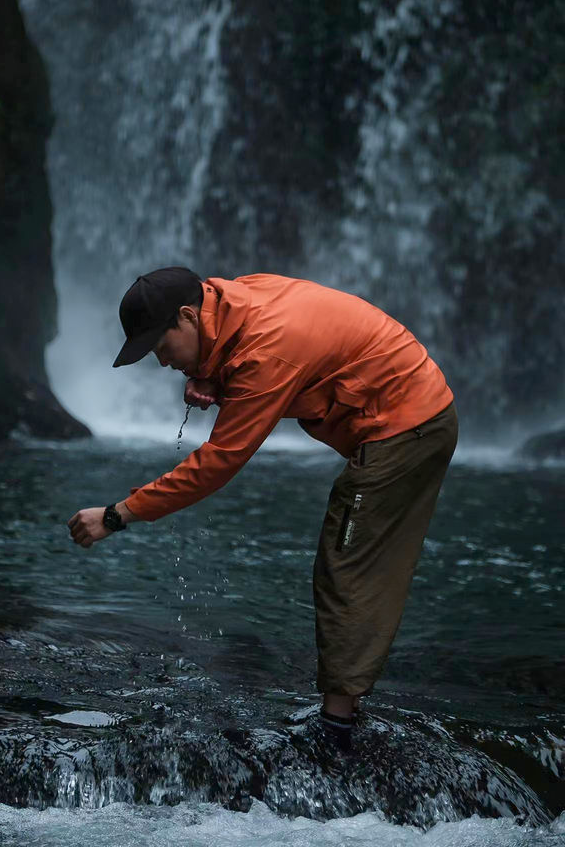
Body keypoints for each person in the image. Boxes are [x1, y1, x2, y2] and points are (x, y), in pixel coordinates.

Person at [68, 267, 458, 749]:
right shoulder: (233, 295)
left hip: (407, 426)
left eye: (161, 349)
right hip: (408, 407)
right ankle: (345, 711)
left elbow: (218, 463)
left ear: (189, 316)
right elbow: (243, 358)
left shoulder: (267, 349)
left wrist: (115, 515)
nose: (163, 363)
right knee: (349, 558)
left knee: (348, 564)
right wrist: (210, 374)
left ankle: (337, 733)